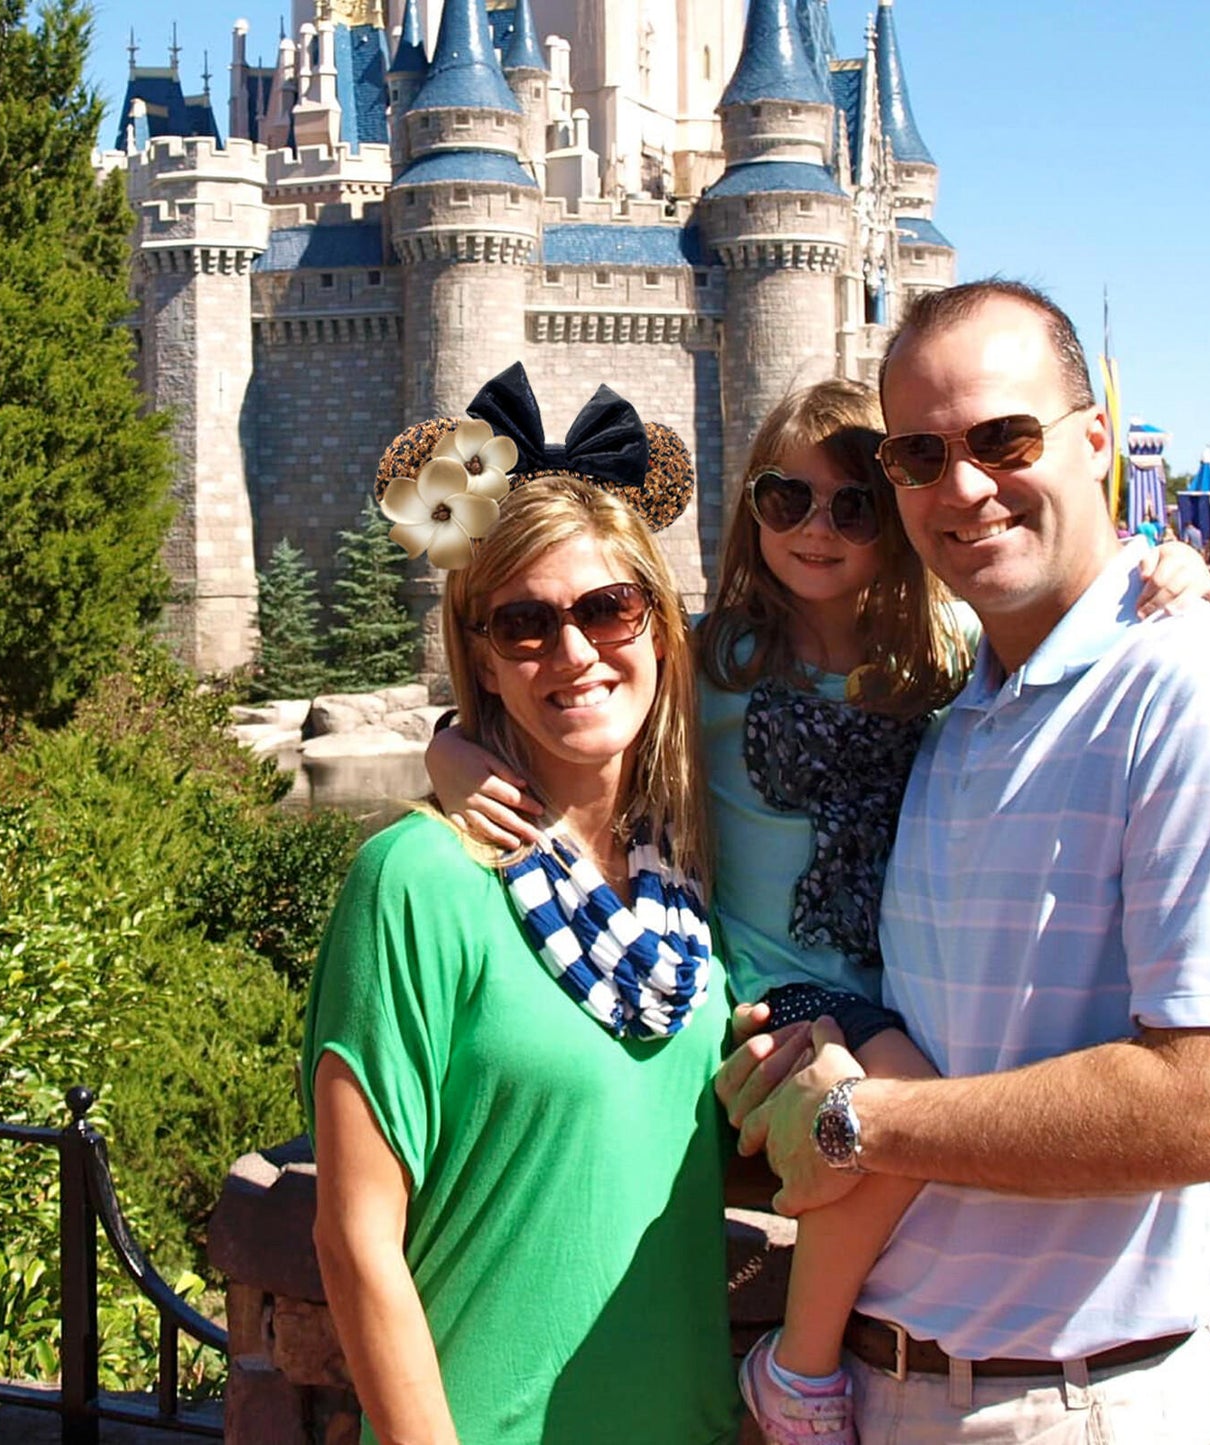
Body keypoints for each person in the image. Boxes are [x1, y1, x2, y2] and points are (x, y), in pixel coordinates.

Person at [428, 376, 1210, 1445]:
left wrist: (1157, 565)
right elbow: (571, 685)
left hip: (895, 981)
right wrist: (445, 743)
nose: (815, 526)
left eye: (851, 503)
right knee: (896, 1099)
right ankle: (799, 1370)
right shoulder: (708, 663)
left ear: (894, 515)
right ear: (748, 507)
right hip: (768, 987)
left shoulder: (936, 662)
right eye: (783, 498)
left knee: (911, 1089)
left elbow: (1059, 643)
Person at [717, 279, 1210, 1445]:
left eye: (1003, 438)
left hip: (1070, 1402)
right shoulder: (956, 721)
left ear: (1094, 438)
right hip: (887, 1388)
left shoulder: (1205, 693)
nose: (961, 486)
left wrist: (860, 1121)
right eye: (916, 455)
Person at [304, 376, 742, 1445]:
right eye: (526, 623)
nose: (576, 652)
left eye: (607, 607)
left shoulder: (688, 878)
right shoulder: (419, 879)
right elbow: (356, 1237)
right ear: (484, 658)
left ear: (657, 623)